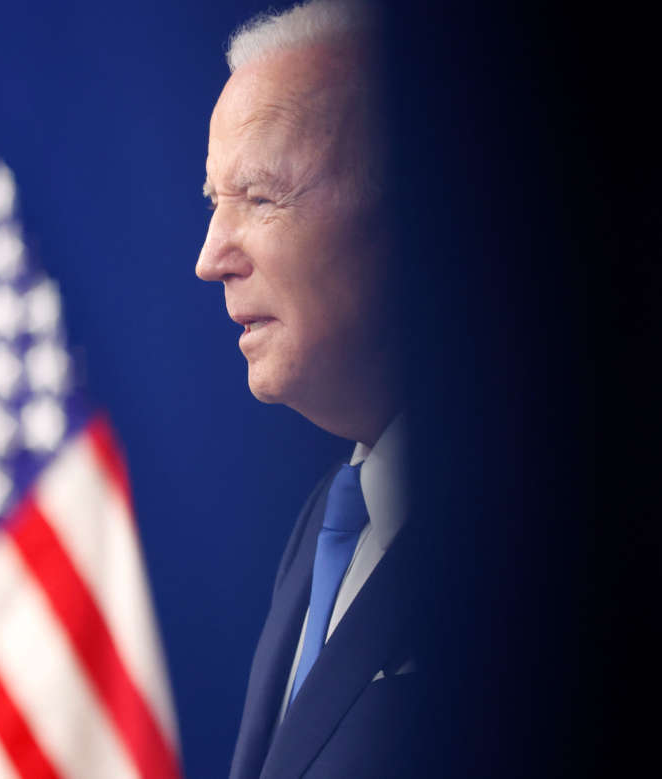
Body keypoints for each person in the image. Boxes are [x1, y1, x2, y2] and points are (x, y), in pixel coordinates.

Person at [195, 3, 421, 776]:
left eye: (259, 196)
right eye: (212, 201)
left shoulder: (538, 525)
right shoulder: (326, 521)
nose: (211, 255)